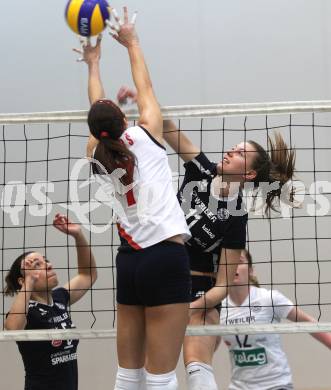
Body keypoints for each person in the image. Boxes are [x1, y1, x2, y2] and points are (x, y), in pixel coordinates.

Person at [114, 86, 297, 389]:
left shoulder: (236, 217)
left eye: (240, 154)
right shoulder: (201, 169)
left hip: (200, 292)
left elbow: (223, 284)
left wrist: (195, 305)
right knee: (150, 369)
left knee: (196, 364)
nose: (230, 152)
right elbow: (168, 126)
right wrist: (139, 100)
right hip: (160, 277)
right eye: (233, 147)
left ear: (249, 175)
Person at [76, 7, 192, 389]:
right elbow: (146, 89)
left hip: (129, 263)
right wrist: (132, 42)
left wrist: (92, 65)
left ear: (97, 132)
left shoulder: (97, 154)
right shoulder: (147, 136)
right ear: (124, 122)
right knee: (161, 376)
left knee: (128, 374)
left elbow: (98, 108)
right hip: (164, 257)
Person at [4, 213, 97, 390]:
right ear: (23, 281)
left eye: (45, 261)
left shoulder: (60, 299)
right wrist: (30, 280)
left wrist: (78, 235)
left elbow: (88, 274)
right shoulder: (27, 312)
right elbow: (13, 329)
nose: (48, 265)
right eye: (36, 265)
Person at [220, 249, 331, 390]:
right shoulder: (219, 306)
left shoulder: (269, 298)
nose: (233, 265)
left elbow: (308, 322)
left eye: (239, 261)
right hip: (239, 386)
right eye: (228, 261)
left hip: (276, 384)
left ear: (251, 270)